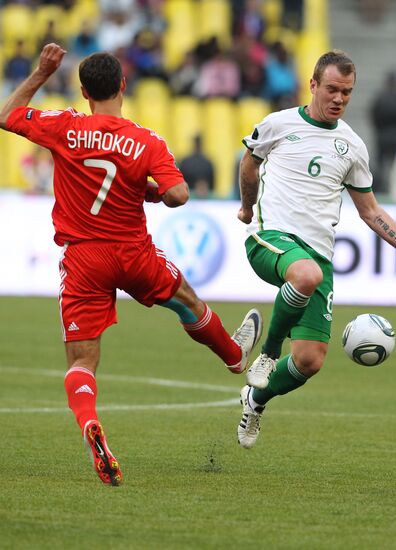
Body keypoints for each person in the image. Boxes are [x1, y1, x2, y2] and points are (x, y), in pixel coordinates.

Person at [0, 43, 263, 485]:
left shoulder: (65, 126)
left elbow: (7, 115)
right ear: (124, 86)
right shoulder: (145, 140)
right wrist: (153, 192)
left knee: (82, 361)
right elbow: (179, 195)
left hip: (84, 257)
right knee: (187, 303)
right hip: (132, 252)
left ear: (84, 91)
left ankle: (90, 424)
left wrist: (42, 72)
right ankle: (235, 358)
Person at [236, 50, 396, 449]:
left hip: (317, 256)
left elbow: (369, 210)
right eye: (333, 89)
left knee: (309, 360)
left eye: (347, 93)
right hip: (270, 239)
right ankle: (266, 354)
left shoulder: (352, 146)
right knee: (305, 275)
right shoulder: (278, 124)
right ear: (314, 85)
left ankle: (256, 398)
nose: (339, 99)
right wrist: (248, 207)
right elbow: (249, 164)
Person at [369, 71, 396, 193]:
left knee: (381, 164)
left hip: (382, 134)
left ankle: (380, 189)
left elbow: (373, 115)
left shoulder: (380, 98)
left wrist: (379, 129)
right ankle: (394, 189)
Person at [178, 134, 215, 199]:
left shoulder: (185, 161)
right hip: (204, 197)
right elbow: (212, 185)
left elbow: (180, 182)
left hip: (188, 197)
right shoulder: (208, 162)